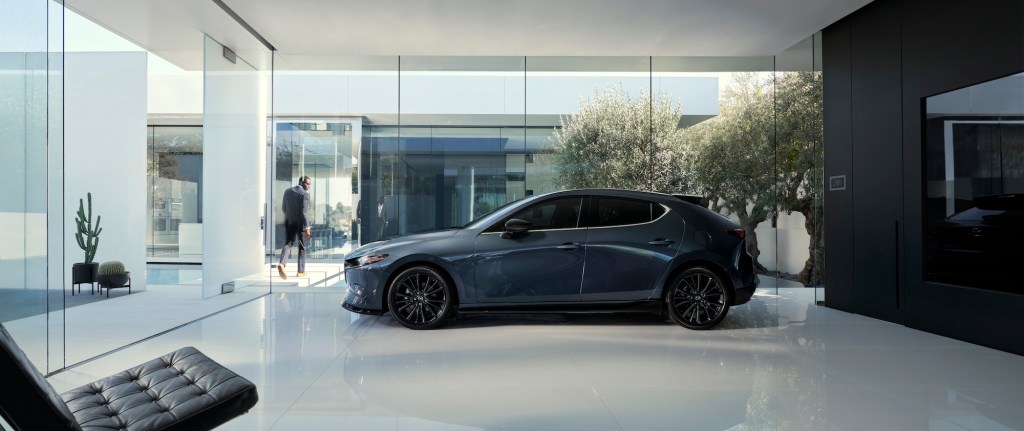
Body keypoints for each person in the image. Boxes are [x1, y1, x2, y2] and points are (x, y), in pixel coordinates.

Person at [278, 176, 311, 280]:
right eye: (307, 184)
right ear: (301, 182)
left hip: (289, 221)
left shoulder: (287, 191)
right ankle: (300, 272)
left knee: (288, 243)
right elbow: (303, 212)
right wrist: (307, 227)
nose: (309, 186)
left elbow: (284, 208)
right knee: (302, 246)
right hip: (300, 223)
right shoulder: (305, 194)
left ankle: (282, 264)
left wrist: (290, 217)